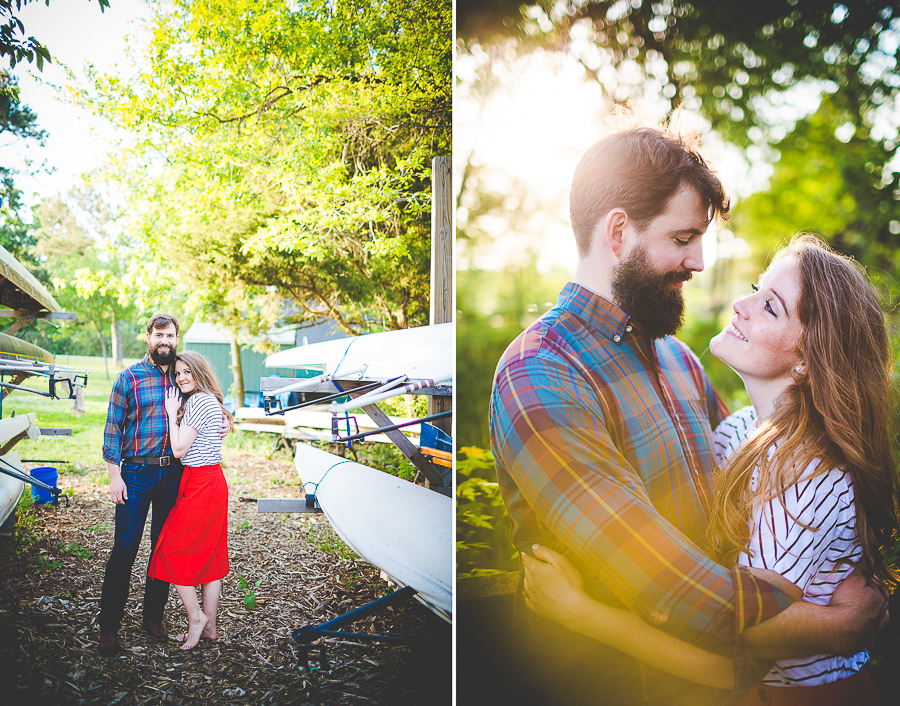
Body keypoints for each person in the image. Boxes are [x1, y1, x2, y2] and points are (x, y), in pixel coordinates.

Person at [489, 112, 889, 705]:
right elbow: (674, 590)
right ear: (618, 233)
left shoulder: (680, 361)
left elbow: (759, 500)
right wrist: (835, 625)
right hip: (614, 686)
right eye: (682, 239)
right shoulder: (540, 375)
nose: (699, 262)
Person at [99, 313, 184, 654]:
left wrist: (224, 421)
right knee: (124, 550)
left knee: (161, 549)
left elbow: (212, 403)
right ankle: (109, 627)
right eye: (159, 335)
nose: (165, 341)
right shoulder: (129, 378)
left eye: (171, 336)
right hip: (134, 474)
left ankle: (153, 616)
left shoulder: (184, 373)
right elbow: (112, 429)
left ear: (177, 338)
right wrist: (114, 474)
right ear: (148, 337)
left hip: (172, 474)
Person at [147, 351, 233, 650]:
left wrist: (172, 414)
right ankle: (211, 627)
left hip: (200, 484)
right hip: (211, 481)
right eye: (178, 373)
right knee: (210, 556)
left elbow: (180, 449)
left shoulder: (196, 401)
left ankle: (196, 617)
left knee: (169, 551)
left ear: (200, 372)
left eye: (187, 372)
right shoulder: (209, 399)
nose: (182, 377)